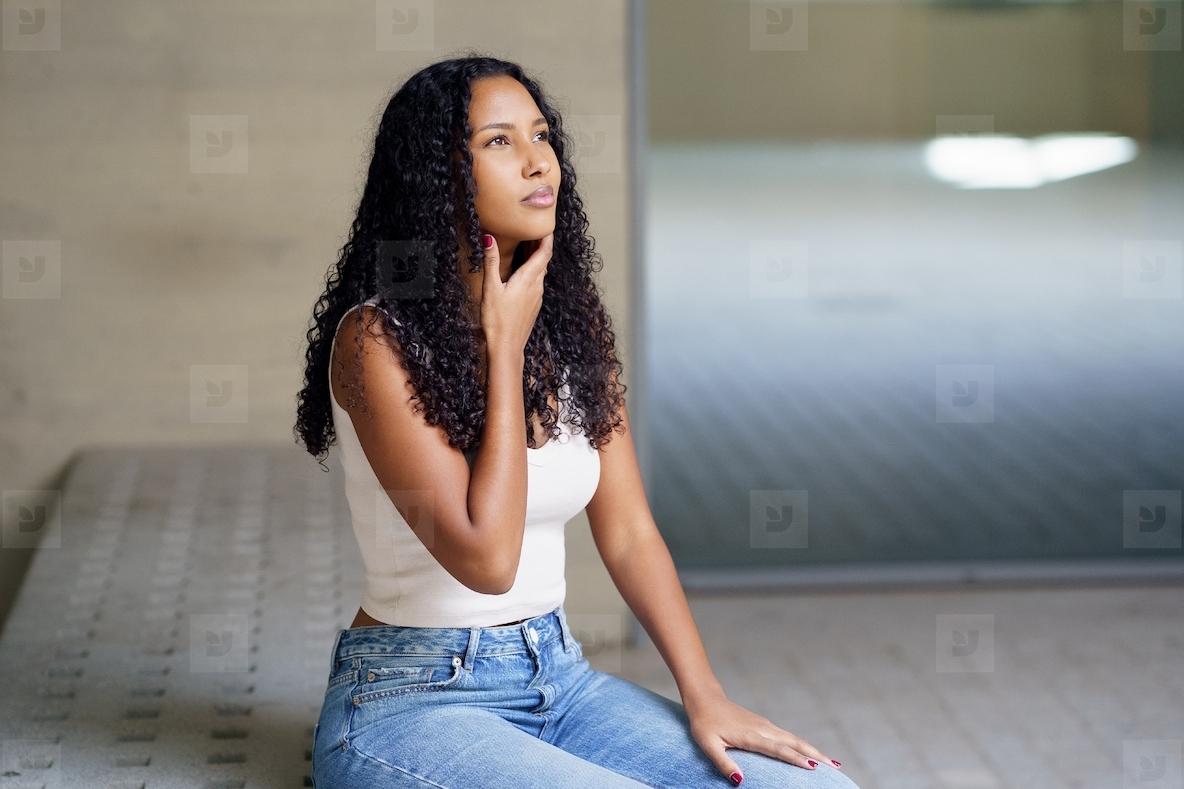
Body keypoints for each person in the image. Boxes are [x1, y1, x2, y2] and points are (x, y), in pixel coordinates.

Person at [294, 52, 862, 789]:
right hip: (410, 701)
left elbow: (627, 532)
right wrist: (503, 345)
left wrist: (705, 694)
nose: (538, 163)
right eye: (499, 142)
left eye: (541, 135)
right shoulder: (375, 341)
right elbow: (488, 560)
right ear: (435, 177)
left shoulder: (572, 328)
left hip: (560, 681)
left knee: (816, 787)